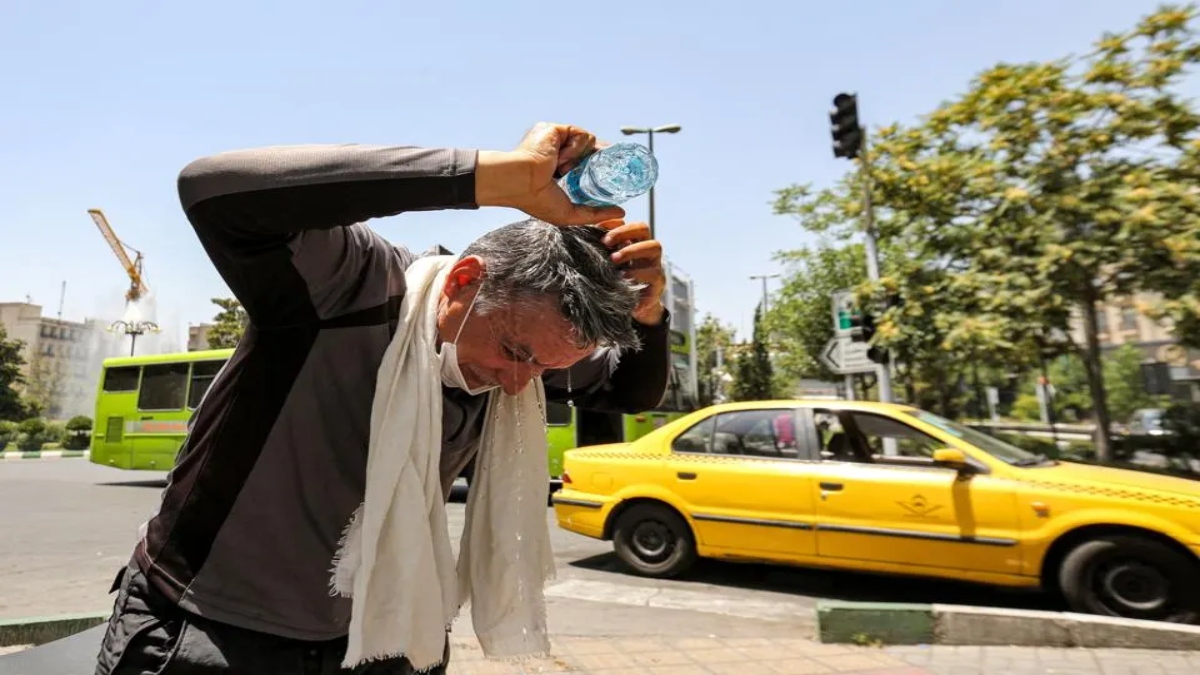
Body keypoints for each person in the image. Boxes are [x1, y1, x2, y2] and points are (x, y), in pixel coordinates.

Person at [94, 122, 673, 675]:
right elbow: (214, 189)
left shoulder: (527, 347)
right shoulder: (350, 285)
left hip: (389, 637)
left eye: (548, 369)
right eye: (514, 352)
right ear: (465, 280)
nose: (522, 385)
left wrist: (649, 316)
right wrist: (498, 177)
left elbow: (627, 389)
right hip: (210, 629)